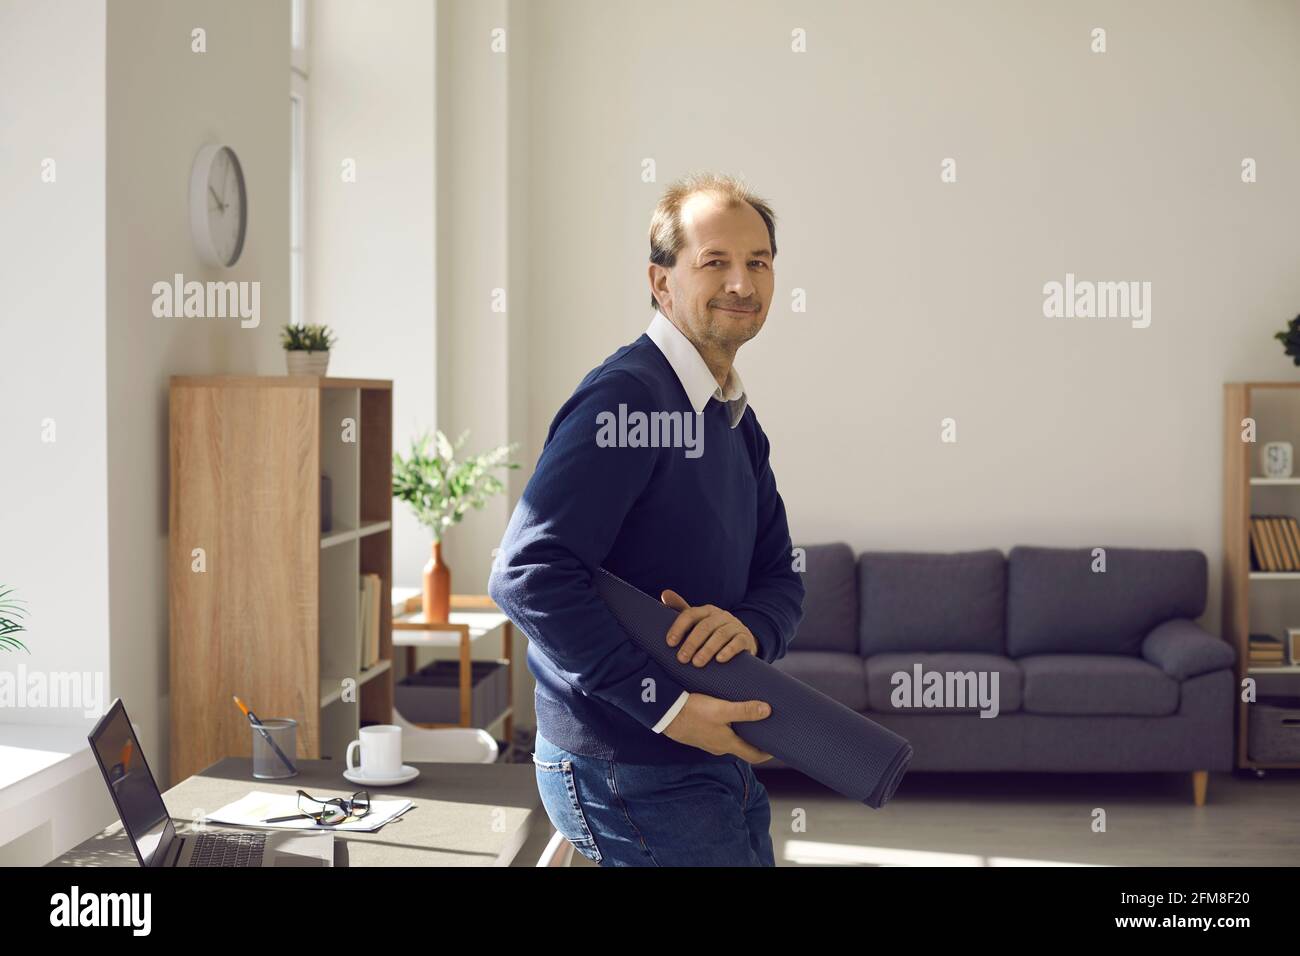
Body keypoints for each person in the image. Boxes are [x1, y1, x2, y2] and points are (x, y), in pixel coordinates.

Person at [488, 172, 804, 866]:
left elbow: (782, 578)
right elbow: (527, 576)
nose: (742, 284)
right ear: (661, 284)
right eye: (714, 262)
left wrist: (746, 626)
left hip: (710, 754)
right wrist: (667, 708)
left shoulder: (734, 420)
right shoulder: (629, 398)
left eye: (758, 263)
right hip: (630, 766)